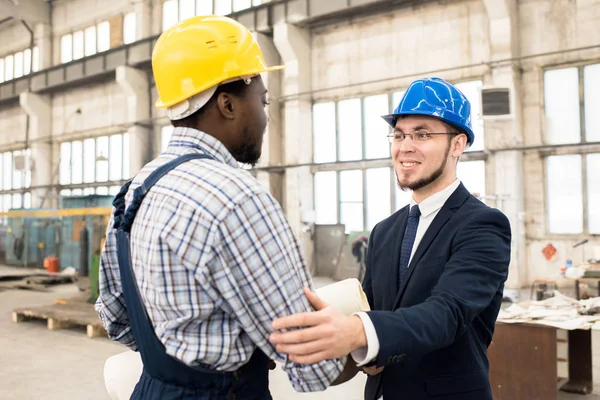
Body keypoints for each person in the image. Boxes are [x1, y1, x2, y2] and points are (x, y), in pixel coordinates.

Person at [95, 15, 356, 400]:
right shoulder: (238, 198)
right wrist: (367, 350)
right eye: (262, 101)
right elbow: (312, 364)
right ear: (228, 103)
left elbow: (118, 319)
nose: (266, 117)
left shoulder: (135, 192)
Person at [269, 77, 512, 400]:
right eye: (398, 135)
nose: (404, 146)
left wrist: (358, 331)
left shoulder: (482, 224)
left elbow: (447, 314)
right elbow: (369, 308)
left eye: (422, 134)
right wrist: (353, 347)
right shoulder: (385, 231)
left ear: (457, 144)